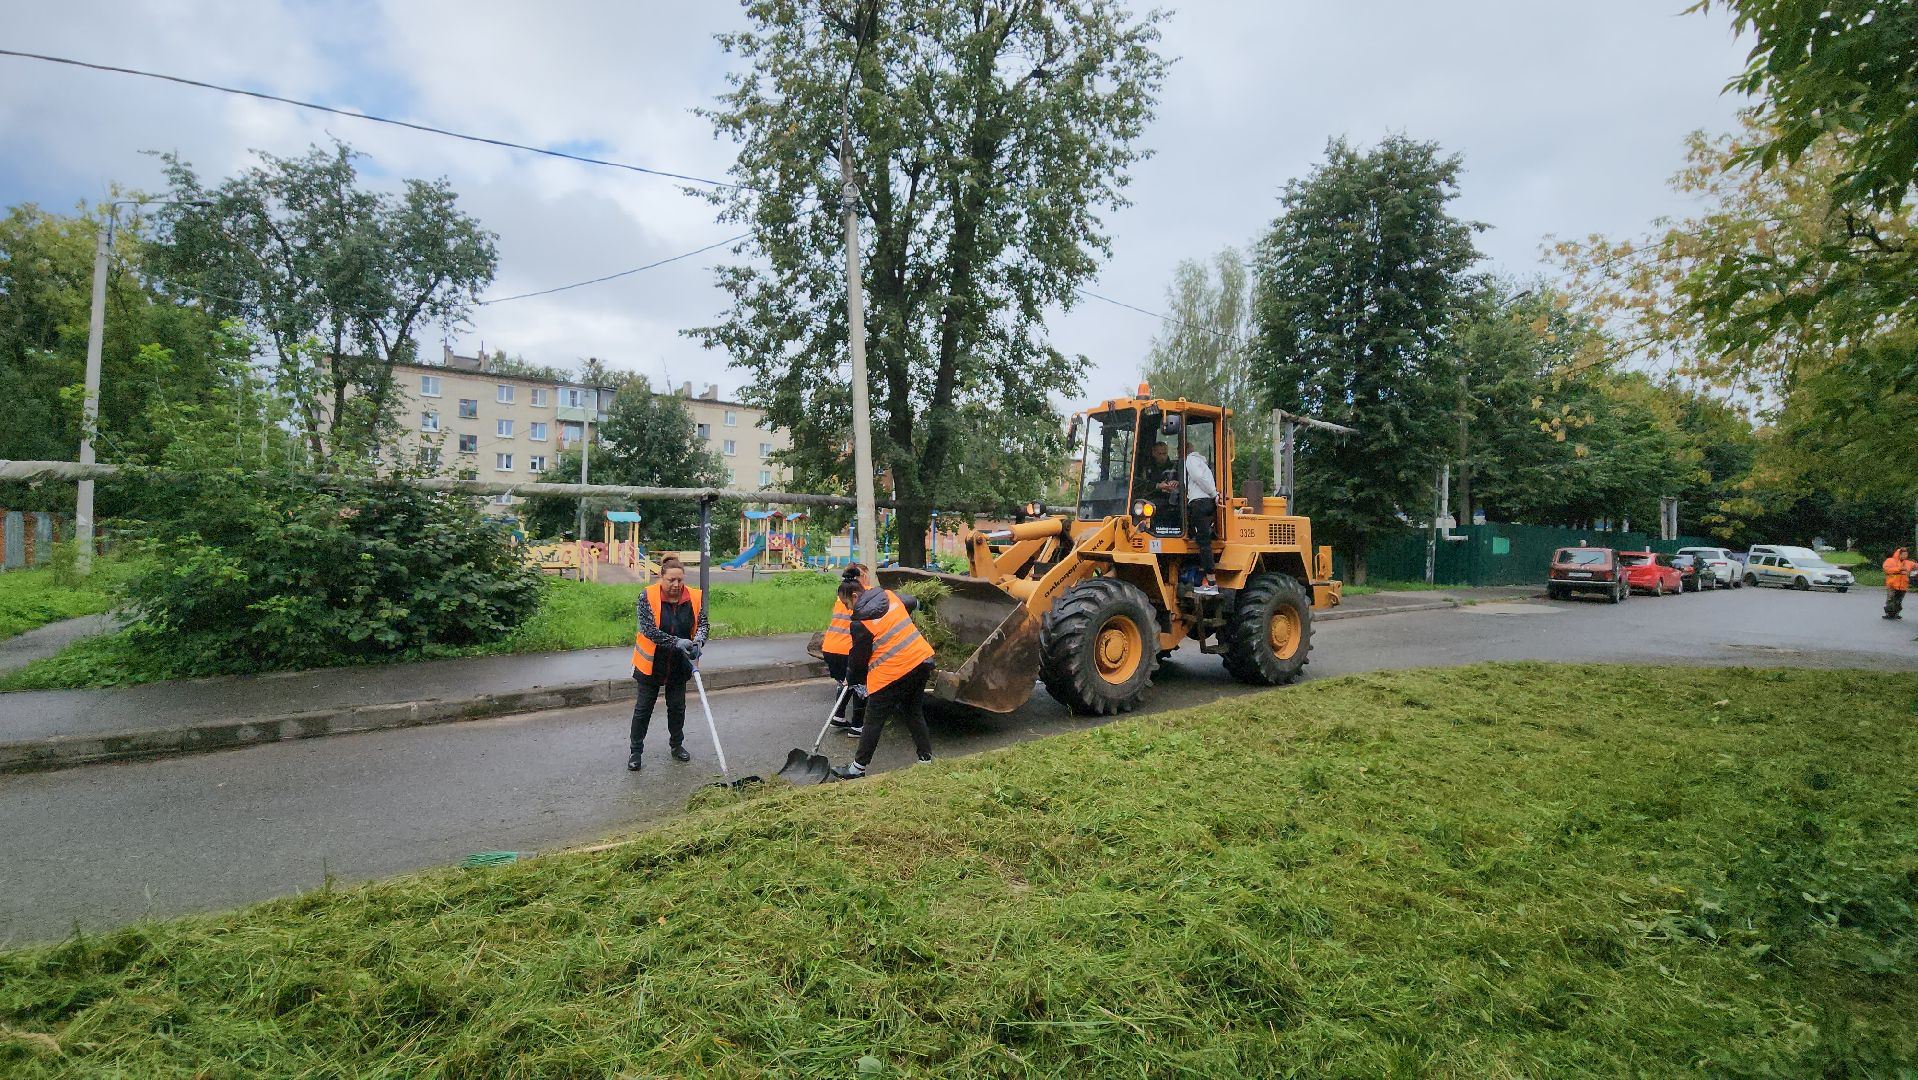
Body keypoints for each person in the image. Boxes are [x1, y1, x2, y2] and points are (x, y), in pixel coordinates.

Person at [830, 564, 936, 780]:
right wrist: (920, 605)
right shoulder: (888, 596)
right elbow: (912, 601)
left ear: (855, 595)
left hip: (894, 672)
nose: (848, 609)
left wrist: (850, 680)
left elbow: (858, 660)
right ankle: (926, 759)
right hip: (923, 660)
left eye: (847, 604)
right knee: (913, 711)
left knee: (873, 719)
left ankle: (857, 768)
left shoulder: (861, 623)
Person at [628, 555, 708, 771]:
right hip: (652, 663)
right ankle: (635, 752)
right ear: (661, 577)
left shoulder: (694, 597)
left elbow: (703, 625)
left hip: (679, 664)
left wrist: (699, 641)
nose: (676, 585)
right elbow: (649, 630)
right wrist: (676, 641)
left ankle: (677, 745)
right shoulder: (647, 596)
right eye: (671, 580)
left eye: (680, 580)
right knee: (643, 710)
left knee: (677, 708)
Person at [820, 563, 867, 733]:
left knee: (844, 682)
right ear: (861, 577)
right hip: (847, 649)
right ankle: (857, 726)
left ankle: (838, 717)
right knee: (861, 686)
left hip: (830, 647)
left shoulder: (841, 595)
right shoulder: (863, 595)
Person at [1185, 444, 1223, 596]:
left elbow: (1198, 478)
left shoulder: (1190, 460)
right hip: (1206, 502)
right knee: (1202, 539)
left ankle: (1211, 582)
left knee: (1203, 541)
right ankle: (1201, 576)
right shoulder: (1202, 463)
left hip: (1199, 503)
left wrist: (1214, 494)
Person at [1882, 547, 1914, 620]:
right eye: (1904, 554)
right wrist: (1899, 569)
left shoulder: (1908, 562)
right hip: (1892, 584)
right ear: (1899, 554)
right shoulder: (1890, 561)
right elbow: (1887, 569)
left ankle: (1896, 613)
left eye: (1906, 554)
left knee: (1899, 600)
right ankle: (1889, 614)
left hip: (1903, 585)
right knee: (1891, 599)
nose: (1905, 556)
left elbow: (1915, 565)